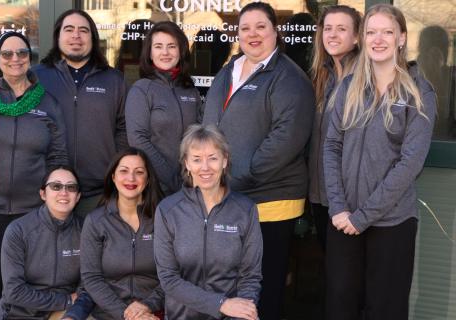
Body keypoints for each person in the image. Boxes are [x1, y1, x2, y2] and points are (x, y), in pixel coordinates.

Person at [323, 4, 436, 319]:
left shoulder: (418, 92)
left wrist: (363, 217)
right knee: (340, 306)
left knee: (384, 309)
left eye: (387, 32)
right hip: (343, 220)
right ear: (362, 37)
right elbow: (332, 145)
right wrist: (338, 207)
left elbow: (410, 164)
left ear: (401, 38)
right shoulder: (349, 87)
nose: (379, 39)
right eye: (371, 32)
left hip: (392, 224)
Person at [202, 2, 314, 318]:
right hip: (230, 198)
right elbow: (210, 124)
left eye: (261, 27)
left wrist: (235, 177)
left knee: (262, 290)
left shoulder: (289, 79)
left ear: (274, 31)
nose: (253, 34)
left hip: (270, 202)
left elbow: (284, 141)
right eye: (245, 28)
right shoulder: (230, 69)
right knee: (231, 290)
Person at [0, 31, 68, 320]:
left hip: (32, 213)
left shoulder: (47, 102)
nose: (15, 59)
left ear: (30, 58)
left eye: (22, 53)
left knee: (27, 287)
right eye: (7, 54)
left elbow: (58, 157)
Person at [154, 124, 263, 320]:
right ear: (186, 163)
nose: (205, 167)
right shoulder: (167, 210)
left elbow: (250, 277)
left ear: (224, 161)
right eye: (197, 159)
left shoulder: (245, 210)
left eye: (213, 158)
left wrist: (243, 312)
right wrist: (221, 304)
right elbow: (169, 279)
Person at [33, 9, 127, 216]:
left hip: (99, 194)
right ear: (58, 36)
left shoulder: (114, 80)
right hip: (50, 191)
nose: (76, 35)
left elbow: (123, 130)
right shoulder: (36, 78)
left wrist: (114, 171)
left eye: (83, 30)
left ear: (92, 38)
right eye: (69, 29)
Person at [0, 166, 93, 320]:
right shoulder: (18, 231)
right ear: (43, 194)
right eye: (56, 186)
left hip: (64, 312)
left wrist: (73, 315)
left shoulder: (87, 231)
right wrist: (65, 300)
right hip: (20, 315)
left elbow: (89, 285)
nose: (64, 192)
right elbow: (14, 291)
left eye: (71, 187)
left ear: (78, 196)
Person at [80, 148, 164, 320]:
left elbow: (173, 274)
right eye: (123, 171)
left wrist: (148, 305)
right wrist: (126, 315)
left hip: (154, 311)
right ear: (113, 177)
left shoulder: (164, 218)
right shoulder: (96, 221)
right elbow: (91, 278)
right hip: (108, 313)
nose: (131, 178)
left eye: (139, 172)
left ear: (147, 179)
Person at [125, 21, 200, 196]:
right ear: (150, 53)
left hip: (190, 185)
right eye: (158, 46)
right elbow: (137, 139)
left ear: (180, 51)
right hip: (155, 187)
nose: (165, 52)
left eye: (171, 46)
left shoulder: (190, 89)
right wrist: (170, 178)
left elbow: (199, 135)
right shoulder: (142, 89)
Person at [308, 5, 361, 250]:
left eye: (341, 29)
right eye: (328, 28)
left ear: (357, 36)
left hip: (347, 201)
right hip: (319, 196)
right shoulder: (323, 77)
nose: (332, 35)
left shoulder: (363, 80)